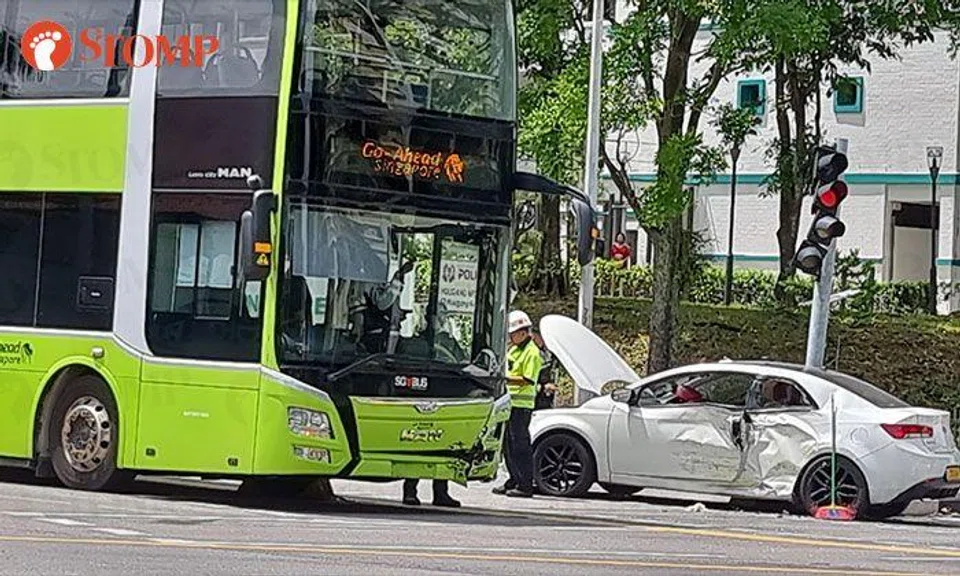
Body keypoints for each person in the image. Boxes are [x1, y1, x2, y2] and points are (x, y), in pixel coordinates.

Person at [493, 310, 542, 498]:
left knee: (520, 446)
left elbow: (527, 379)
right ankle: (513, 479)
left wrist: (504, 379)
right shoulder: (514, 349)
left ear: (523, 332)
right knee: (508, 445)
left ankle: (525, 484)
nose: (510, 337)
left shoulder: (532, 352)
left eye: (513, 334)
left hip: (521, 406)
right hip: (509, 404)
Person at [531, 331, 557, 410]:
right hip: (535, 393)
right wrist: (542, 386)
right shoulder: (531, 352)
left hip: (546, 394)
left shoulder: (549, 352)